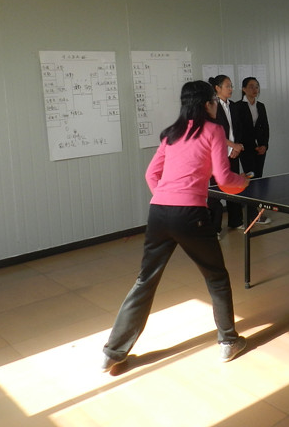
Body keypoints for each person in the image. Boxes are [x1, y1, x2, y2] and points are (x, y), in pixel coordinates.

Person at [101, 81, 249, 372]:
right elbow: (224, 180)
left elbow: (150, 174)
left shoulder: (171, 133)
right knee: (217, 277)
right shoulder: (214, 130)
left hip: (158, 212)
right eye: (214, 101)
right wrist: (244, 182)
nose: (216, 105)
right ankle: (229, 341)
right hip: (191, 213)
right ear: (207, 104)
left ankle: (112, 352)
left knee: (145, 280)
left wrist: (168, 198)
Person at [208, 75, 244, 232]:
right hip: (217, 155)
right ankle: (214, 228)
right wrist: (232, 146)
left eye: (231, 86)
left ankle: (235, 221)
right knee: (216, 192)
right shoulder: (211, 106)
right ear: (217, 88)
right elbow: (215, 133)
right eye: (227, 86)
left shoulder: (233, 106)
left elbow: (238, 129)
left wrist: (237, 148)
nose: (231, 89)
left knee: (233, 187)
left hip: (233, 154)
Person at [234, 77, 271, 225]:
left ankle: (256, 212)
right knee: (250, 178)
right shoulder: (237, 106)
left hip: (260, 149)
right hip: (246, 149)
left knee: (259, 179)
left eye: (256, 86)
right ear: (243, 89)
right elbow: (239, 130)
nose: (255, 89)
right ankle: (251, 213)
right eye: (251, 86)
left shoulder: (260, 106)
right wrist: (249, 145)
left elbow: (265, 127)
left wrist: (264, 145)